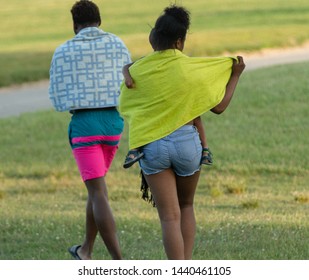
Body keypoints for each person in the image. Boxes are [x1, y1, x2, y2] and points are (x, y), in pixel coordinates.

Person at [119, 5, 245, 259]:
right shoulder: (191, 69)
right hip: (188, 143)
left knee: (169, 217)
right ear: (180, 42)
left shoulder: (137, 71)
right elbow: (219, 107)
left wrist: (126, 70)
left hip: (152, 146)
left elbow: (126, 97)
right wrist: (235, 75)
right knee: (186, 206)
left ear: (152, 38)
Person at [49, 0, 131, 260]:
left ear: (75, 25)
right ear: (100, 21)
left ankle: (119, 262)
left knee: (97, 193)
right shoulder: (117, 43)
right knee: (97, 191)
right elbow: (129, 82)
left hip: (84, 126)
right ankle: (86, 249)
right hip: (114, 125)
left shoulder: (63, 51)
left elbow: (57, 97)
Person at [122, 60, 212, 169]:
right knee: (195, 115)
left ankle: (134, 150)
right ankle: (205, 151)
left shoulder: (147, 60)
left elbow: (127, 67)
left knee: (139, 115)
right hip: (179, 108)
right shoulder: (181, 61)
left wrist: (128, 78)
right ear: (178, 43)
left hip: (155, 104)